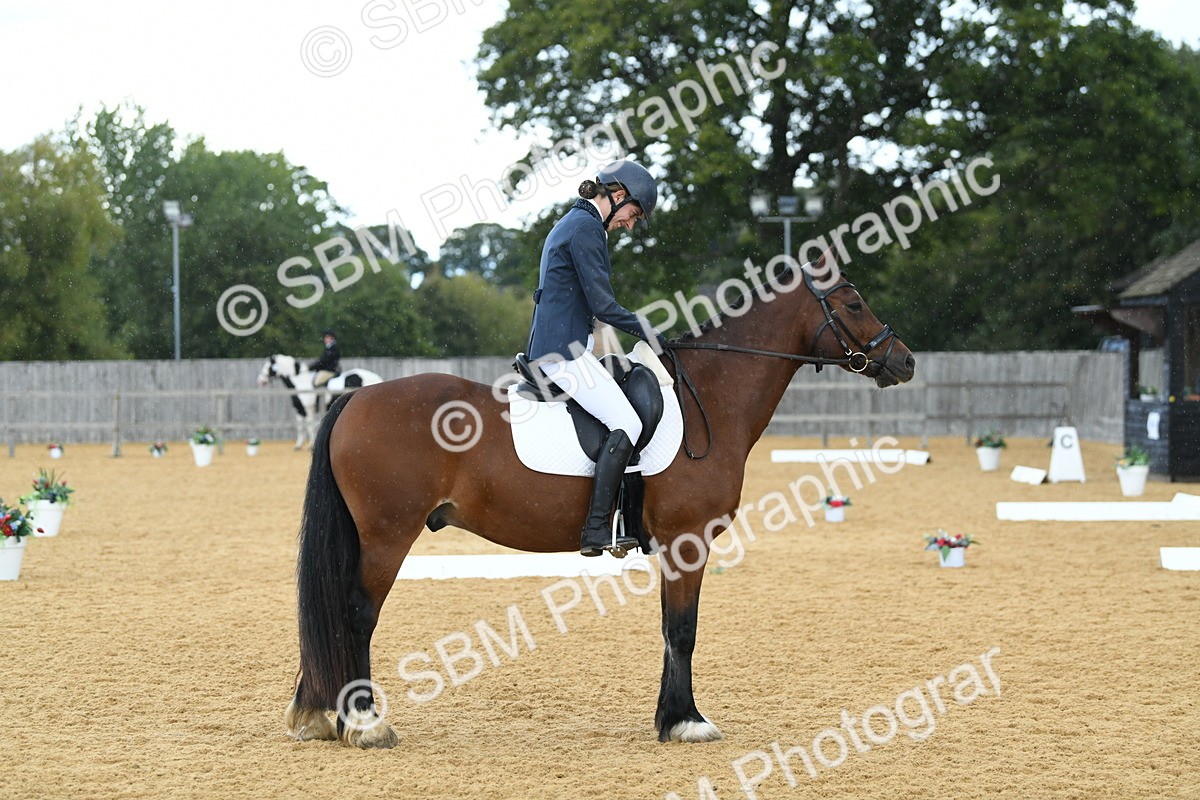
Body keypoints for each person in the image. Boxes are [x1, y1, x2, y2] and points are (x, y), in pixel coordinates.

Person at [526, 159, 669, 557]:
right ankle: (595, 530)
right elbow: (604, 305)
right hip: (563, 354)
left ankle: (628, 521)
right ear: (619, 196)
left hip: (568, 346)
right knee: (627, 421)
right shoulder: (587, 229)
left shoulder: (574, 221)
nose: (631, 223)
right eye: (634, 214)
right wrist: (650, 331)